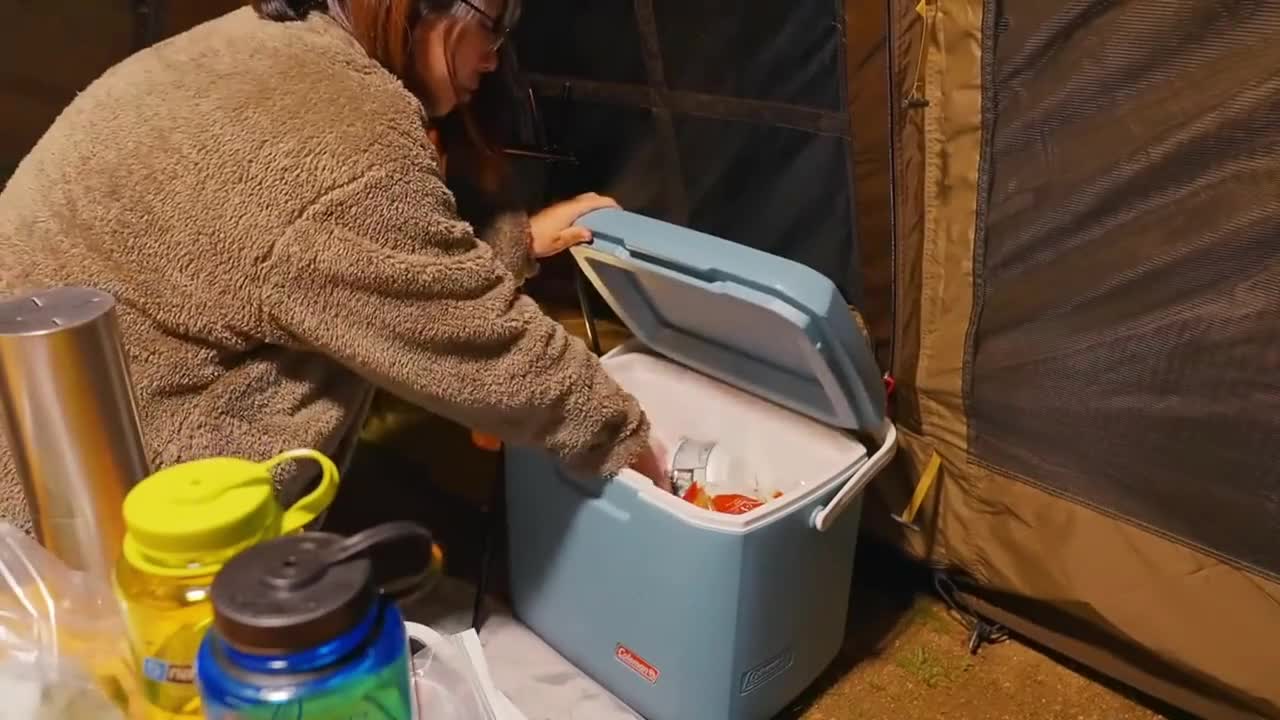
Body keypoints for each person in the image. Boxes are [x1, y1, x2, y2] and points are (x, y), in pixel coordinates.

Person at [0, 0, 667, 535]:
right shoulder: (344, 131)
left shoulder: (261, 46)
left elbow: (311, 261)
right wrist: (629, 443)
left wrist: (511, 242)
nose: (495, 57)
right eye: (494, 23)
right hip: (83, 526)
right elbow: (481, 345)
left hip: (36, 447)